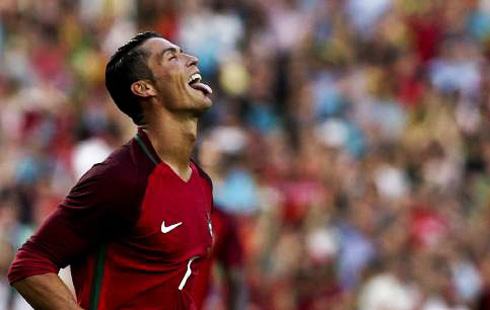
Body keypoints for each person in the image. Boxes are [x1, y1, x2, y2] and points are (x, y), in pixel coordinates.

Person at [7, 31, 215, 310]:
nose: (192, 59)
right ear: (145, 88)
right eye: (172, 56)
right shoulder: (120, 178)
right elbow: (30, 263)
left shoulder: (202, 183)